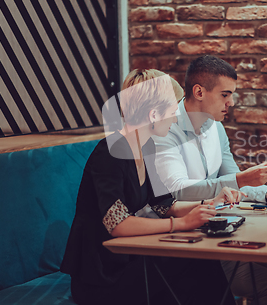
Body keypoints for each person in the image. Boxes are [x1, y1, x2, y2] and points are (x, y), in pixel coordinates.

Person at [60, 69, 239, 305]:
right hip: (103, 275)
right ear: (154, 114)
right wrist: (183, 223)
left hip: (126, 259)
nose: (176, 118)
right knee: (196, 268)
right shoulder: (110, 152)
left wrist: (209, 204)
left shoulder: (147, 148)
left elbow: (163, 204)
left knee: (202, 263)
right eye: (173, 111)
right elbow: (117, 223)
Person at [153, 56, 267, 304]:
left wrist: (266, 193)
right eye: (225, 95)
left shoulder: (215, 127)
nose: (231, 102)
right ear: (199, 91)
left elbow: (229, 175)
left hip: (216, 232)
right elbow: (176, 193)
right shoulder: (165, 128)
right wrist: (241, 180)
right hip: (183, 245)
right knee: (265, 284)